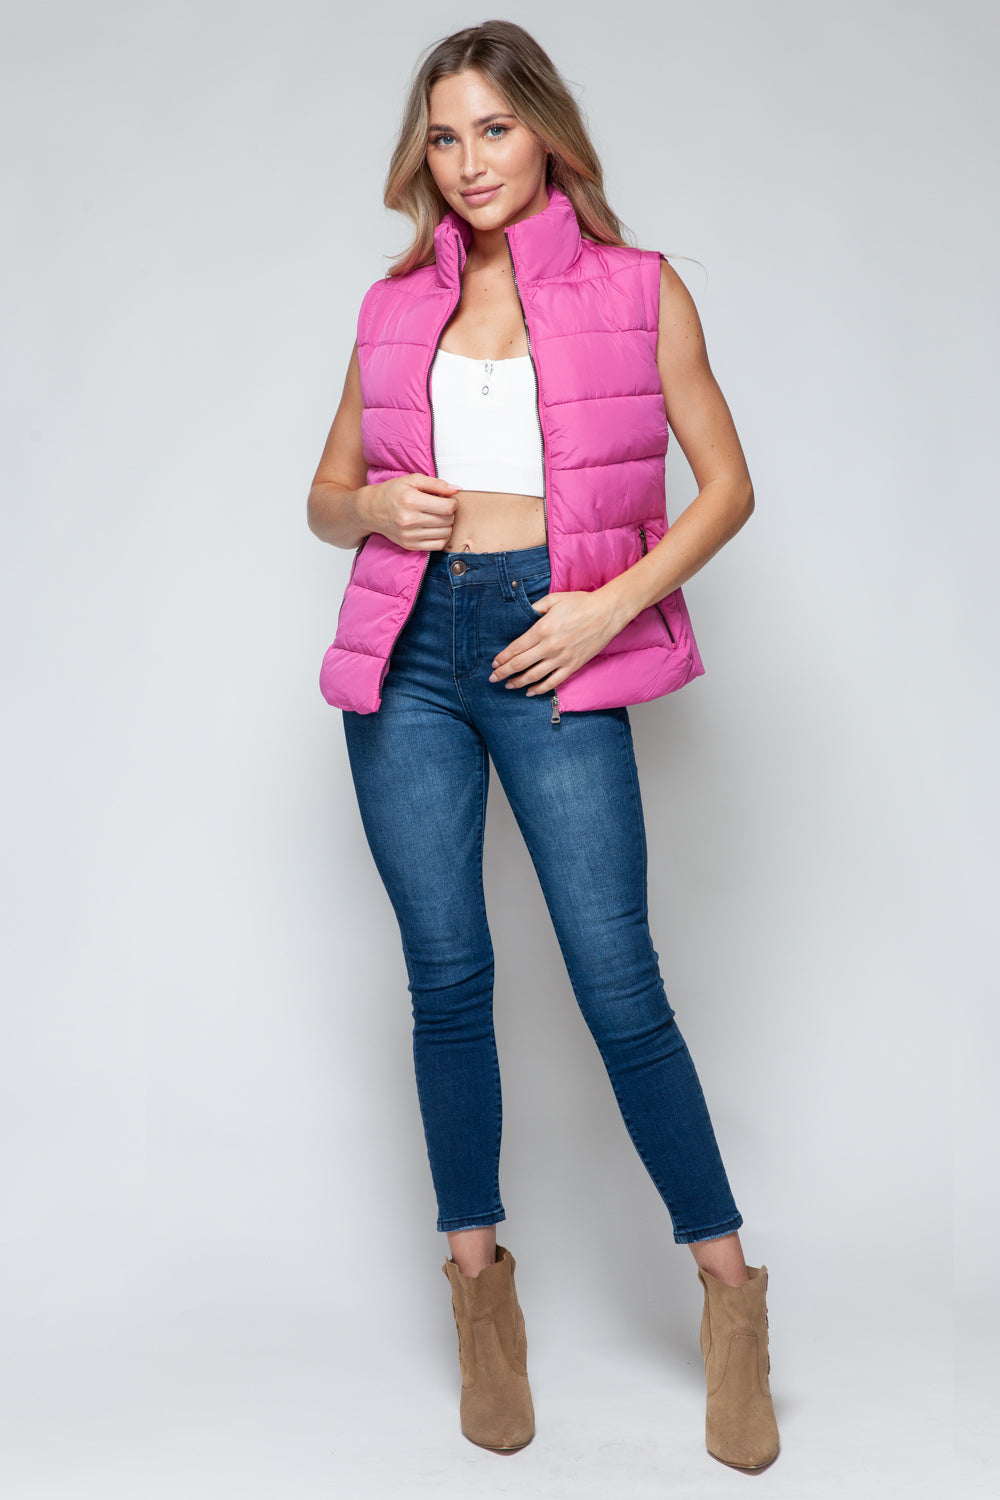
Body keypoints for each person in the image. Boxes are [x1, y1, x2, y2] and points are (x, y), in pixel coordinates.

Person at [307, 19, 779, 1473]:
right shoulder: (395, 306)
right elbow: (327, 494)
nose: (469, 162)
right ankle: (482, 1309)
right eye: (444, 137)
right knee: (447, 982)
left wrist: (606, 609)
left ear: (546, 132)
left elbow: (727, 486)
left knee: (618, 983)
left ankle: (732, 1307)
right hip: (410, 653)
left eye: (493, 130)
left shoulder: (639, 289)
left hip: (552, 637)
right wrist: (372, 511)